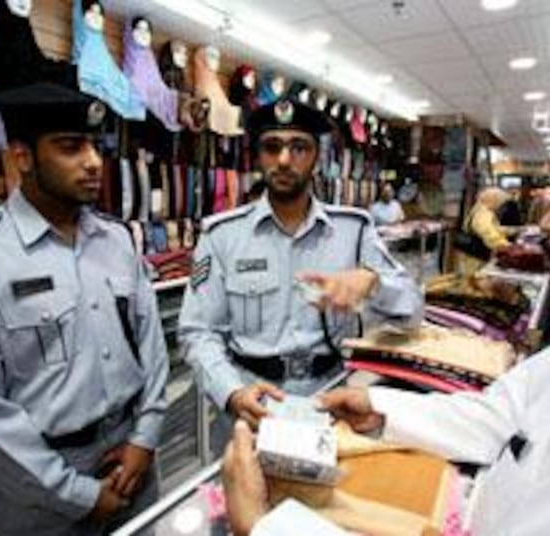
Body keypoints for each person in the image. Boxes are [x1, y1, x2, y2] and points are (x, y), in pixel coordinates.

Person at [221, 64, 550, 535]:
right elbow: (502, 414)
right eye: (271, 147)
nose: (543, 227)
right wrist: (378, 408)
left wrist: (267, 527)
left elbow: (409, 306)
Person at [0, 83, 169, 536]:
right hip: (36, 496)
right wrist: (76, 494)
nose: (93, 161)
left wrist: (144, 439)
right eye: (71, 147)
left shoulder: (115, 240)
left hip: (134, 461)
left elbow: (151, 347)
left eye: (96, 145)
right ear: (23, 157)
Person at [178, 99, 423, 429]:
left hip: (333, 400)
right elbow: (198, 331)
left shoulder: (354, 230)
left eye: (299, 147)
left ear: (316, 158)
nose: (283, 160)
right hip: (253, 402)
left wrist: (373, 283)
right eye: (272, 147)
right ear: (258, 156)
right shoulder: (222, 235)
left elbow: (413, 310)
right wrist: (232, 392)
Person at [457, 186, 514, 275]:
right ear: (494, 200)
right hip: (477, 258)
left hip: (474, 256)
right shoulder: (483, 214)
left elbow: (493, 228)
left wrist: (513, 230)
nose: (501, 206)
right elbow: (488, 233)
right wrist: (507, 246)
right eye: (500, 203)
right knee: (475, 280)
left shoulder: (481, 209)